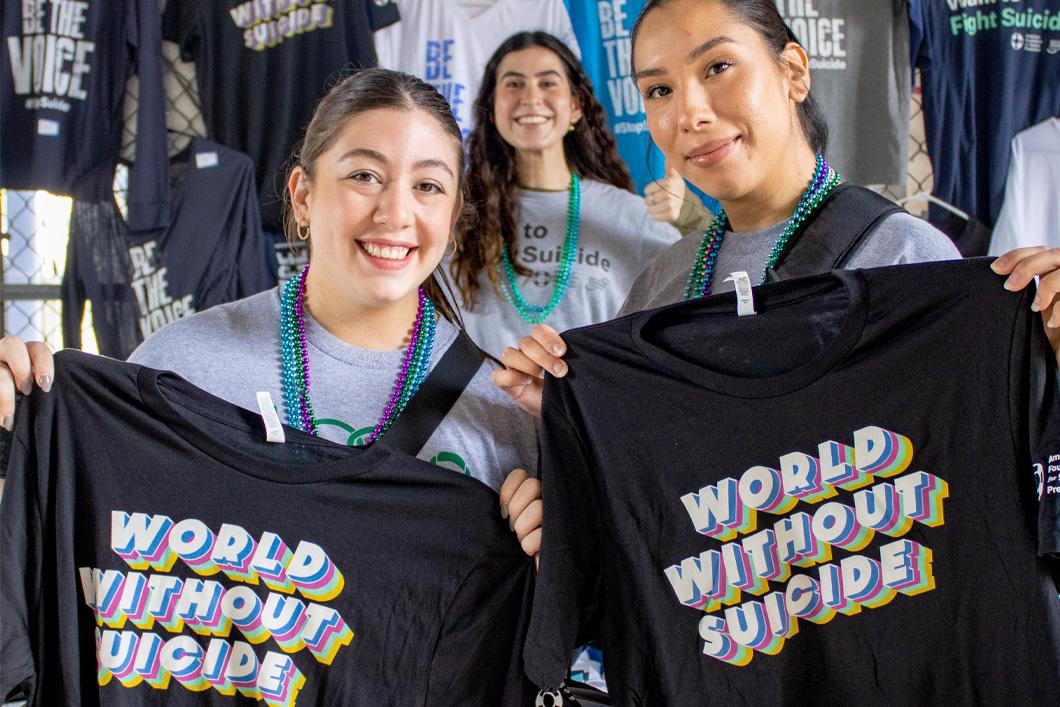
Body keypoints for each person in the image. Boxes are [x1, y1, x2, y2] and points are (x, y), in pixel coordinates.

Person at [0, 69, 543, 559]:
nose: (395, 212)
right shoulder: (178, 366)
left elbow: (566, 628)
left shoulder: (502, 415)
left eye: (427, 186)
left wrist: (557, 551)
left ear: (451, 215)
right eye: (364, 176)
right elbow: (77, 543)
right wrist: (15, 428)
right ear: (302, 195)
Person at [490, 0, 1060, 416]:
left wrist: (1046, 357)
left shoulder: (907, 256)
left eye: (717, 67)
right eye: (659, 90)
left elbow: (974, 451)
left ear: (793, 70)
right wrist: (570, 413)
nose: (691, 113)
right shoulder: (659, 286)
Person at [452, 31, 702, 358]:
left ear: (575, 106)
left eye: (548, 83)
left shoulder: (628, 216)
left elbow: (717, 280)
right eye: (513, 84)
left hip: (594, 406)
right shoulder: (459, 216)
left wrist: (690, 217)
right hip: (481, 408)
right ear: (492, 107)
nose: (530, 97)